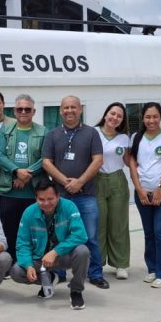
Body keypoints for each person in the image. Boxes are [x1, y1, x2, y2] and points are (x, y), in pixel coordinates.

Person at [41, 95, 109, 289]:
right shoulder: (52, 134)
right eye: (66, 107)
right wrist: (65, 181)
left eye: (73, 107)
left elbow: (98, 160)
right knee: (59, 235)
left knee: (90, 237)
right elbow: (46, 162)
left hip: (86, 195)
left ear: (80, 110)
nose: (69, 111)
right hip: (60, 197)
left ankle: (95, 274)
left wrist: (80, 182)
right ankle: (59, 273)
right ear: (60, 111)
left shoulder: (91, 133)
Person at [9, 181, 91, 310]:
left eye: (50, 199)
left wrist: (55, 252)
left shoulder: (69, 206)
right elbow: (22, 243)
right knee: (16, 271)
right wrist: (28, 265)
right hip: (40, 259)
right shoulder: (29, 213)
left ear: (58, 196)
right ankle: (50, 278)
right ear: (36, 198)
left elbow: (81, 235)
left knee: (83, 251)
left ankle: (76, 291)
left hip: (63, 256)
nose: (46, 203)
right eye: (41, 199)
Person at [127, 102, 161, 288]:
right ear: (143, 118)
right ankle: (153, 269)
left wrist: (160, 187)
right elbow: (132, 164)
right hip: (143, 193)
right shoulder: (136, 137)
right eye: (148, 117)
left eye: (155, 116)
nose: (151, 120)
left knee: (160, 231)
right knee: (149, 232)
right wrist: (139, 189)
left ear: (160, 117)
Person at [0, 94, 46, 263]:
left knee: (33, 230)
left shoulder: (43, 131)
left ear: (34, 111)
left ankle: (32, 263)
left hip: (33, 192)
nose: (23, 112)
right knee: (9, 230)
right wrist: (17, 171)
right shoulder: (5, 131)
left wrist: (26, 175)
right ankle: (11, 263)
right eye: (20, 109)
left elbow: (46, 158)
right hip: (9, 191)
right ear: (14, 111)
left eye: (27, 109)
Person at [94, 102, 132, 280]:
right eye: (112, 113)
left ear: (122, 120)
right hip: (96, 180)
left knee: (118, 224)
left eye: (119, 116)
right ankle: (97, 263)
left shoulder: (124, 138)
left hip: (117, 181)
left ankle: (120, 264)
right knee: (98, 224)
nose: (115, 118)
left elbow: (129, 161)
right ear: (105, 114)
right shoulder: (93, 133)